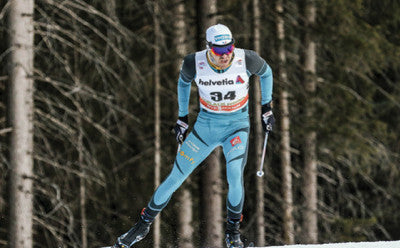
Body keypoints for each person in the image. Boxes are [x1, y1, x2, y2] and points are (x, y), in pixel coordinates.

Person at [113, 23, 275, 248]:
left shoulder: (246, 58)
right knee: (176, 177)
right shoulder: (193, 62)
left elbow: (266, 73)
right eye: (219, 51)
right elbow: (182, 83)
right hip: (205, 128)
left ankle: (232, 233)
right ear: (209, 48)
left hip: (236, 127)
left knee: (234, 175)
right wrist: (182, 118)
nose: (225, 55)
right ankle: (141, 227)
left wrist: (266, 107)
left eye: (228, 48)